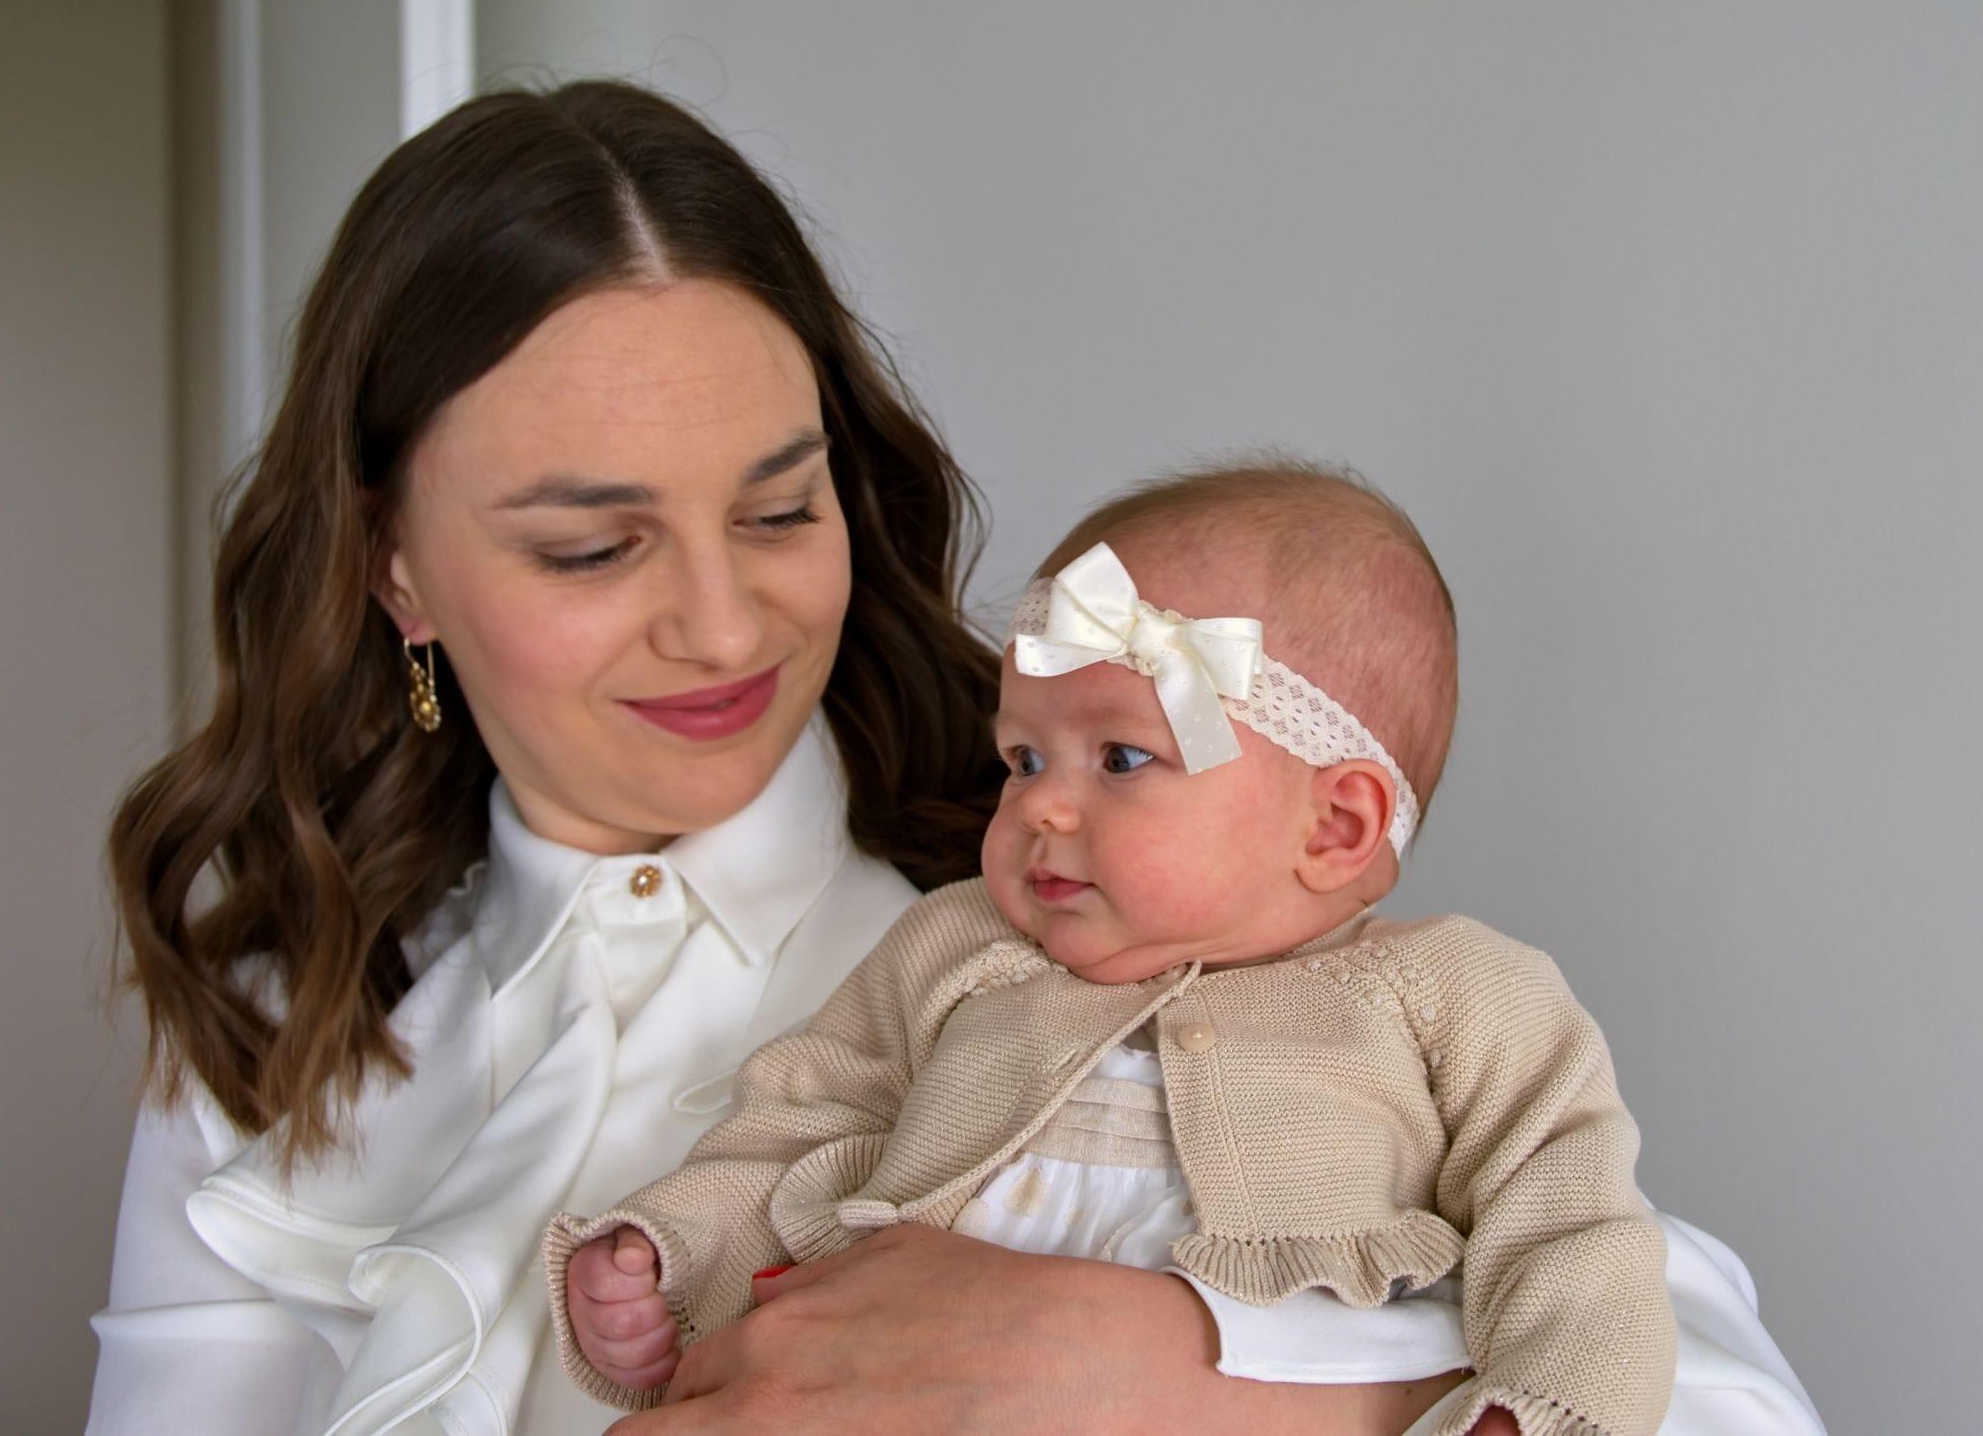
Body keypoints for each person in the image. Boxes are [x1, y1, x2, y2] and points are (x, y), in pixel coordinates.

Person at [88, 79, 1822, 1435]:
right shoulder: (279, 1019)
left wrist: (1170, 1382)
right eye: (591, 547)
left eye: (781, 506)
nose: (722, 623)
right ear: (397, 565)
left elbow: (1732, 1391)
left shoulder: (1073, 908)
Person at [554, 466, 1678, 1435]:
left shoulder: (1449, 993)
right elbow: (799, 1112)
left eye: (1122, 760)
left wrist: (1539, 1403)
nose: (1041, 808)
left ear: (1333, 826)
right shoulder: (957, 945)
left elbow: (1572, 1216)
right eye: (1024, 760)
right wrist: (670, 1248)